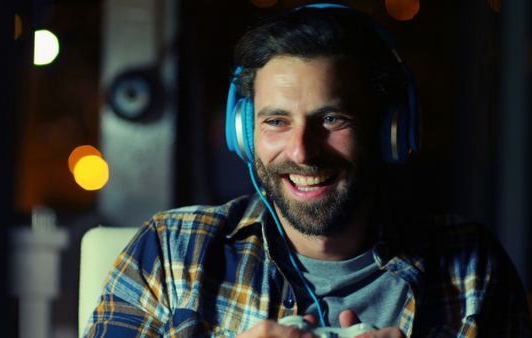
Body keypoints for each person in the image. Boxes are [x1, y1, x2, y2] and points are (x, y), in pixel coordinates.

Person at [83, 4, 531, 337]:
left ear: (388, 131)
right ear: (243, 132)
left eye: (333, 119)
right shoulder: (173, 251)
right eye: (276, 121)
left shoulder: (472, 265)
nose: (301, 150)